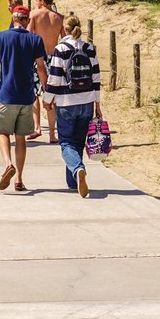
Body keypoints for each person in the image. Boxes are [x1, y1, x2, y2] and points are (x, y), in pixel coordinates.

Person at [0, 5, 47, 193]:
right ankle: (19, 179)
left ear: (13, 19)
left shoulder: (0, 37)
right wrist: (47, 92)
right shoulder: (35, 39)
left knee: (3, 132)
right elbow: (41, 67)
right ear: (27, 21)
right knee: (21, 138)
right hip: (26, 96)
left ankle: (8, 164)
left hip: (5, 94)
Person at [43, 13, 101, 198]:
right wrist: (97, 104)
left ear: (64, 30)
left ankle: (77, 169)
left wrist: (48, 99)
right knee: (78, 142)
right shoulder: (90, 48)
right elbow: (96, 78)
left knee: (66, 142)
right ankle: (73, 182)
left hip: (66, 102)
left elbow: (55, 78)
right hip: (87, 102)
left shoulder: (61, 49)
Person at [26, 0, 65, 143]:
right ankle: (52, 135)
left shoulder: (34, 15)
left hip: (38, 57)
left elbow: (28, 35)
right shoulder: (59, 17)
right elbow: (64, 38)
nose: (36, 2)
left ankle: (37, 127)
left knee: (35, 93)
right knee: (51, 95)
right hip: (53, 57)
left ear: (42, 0)